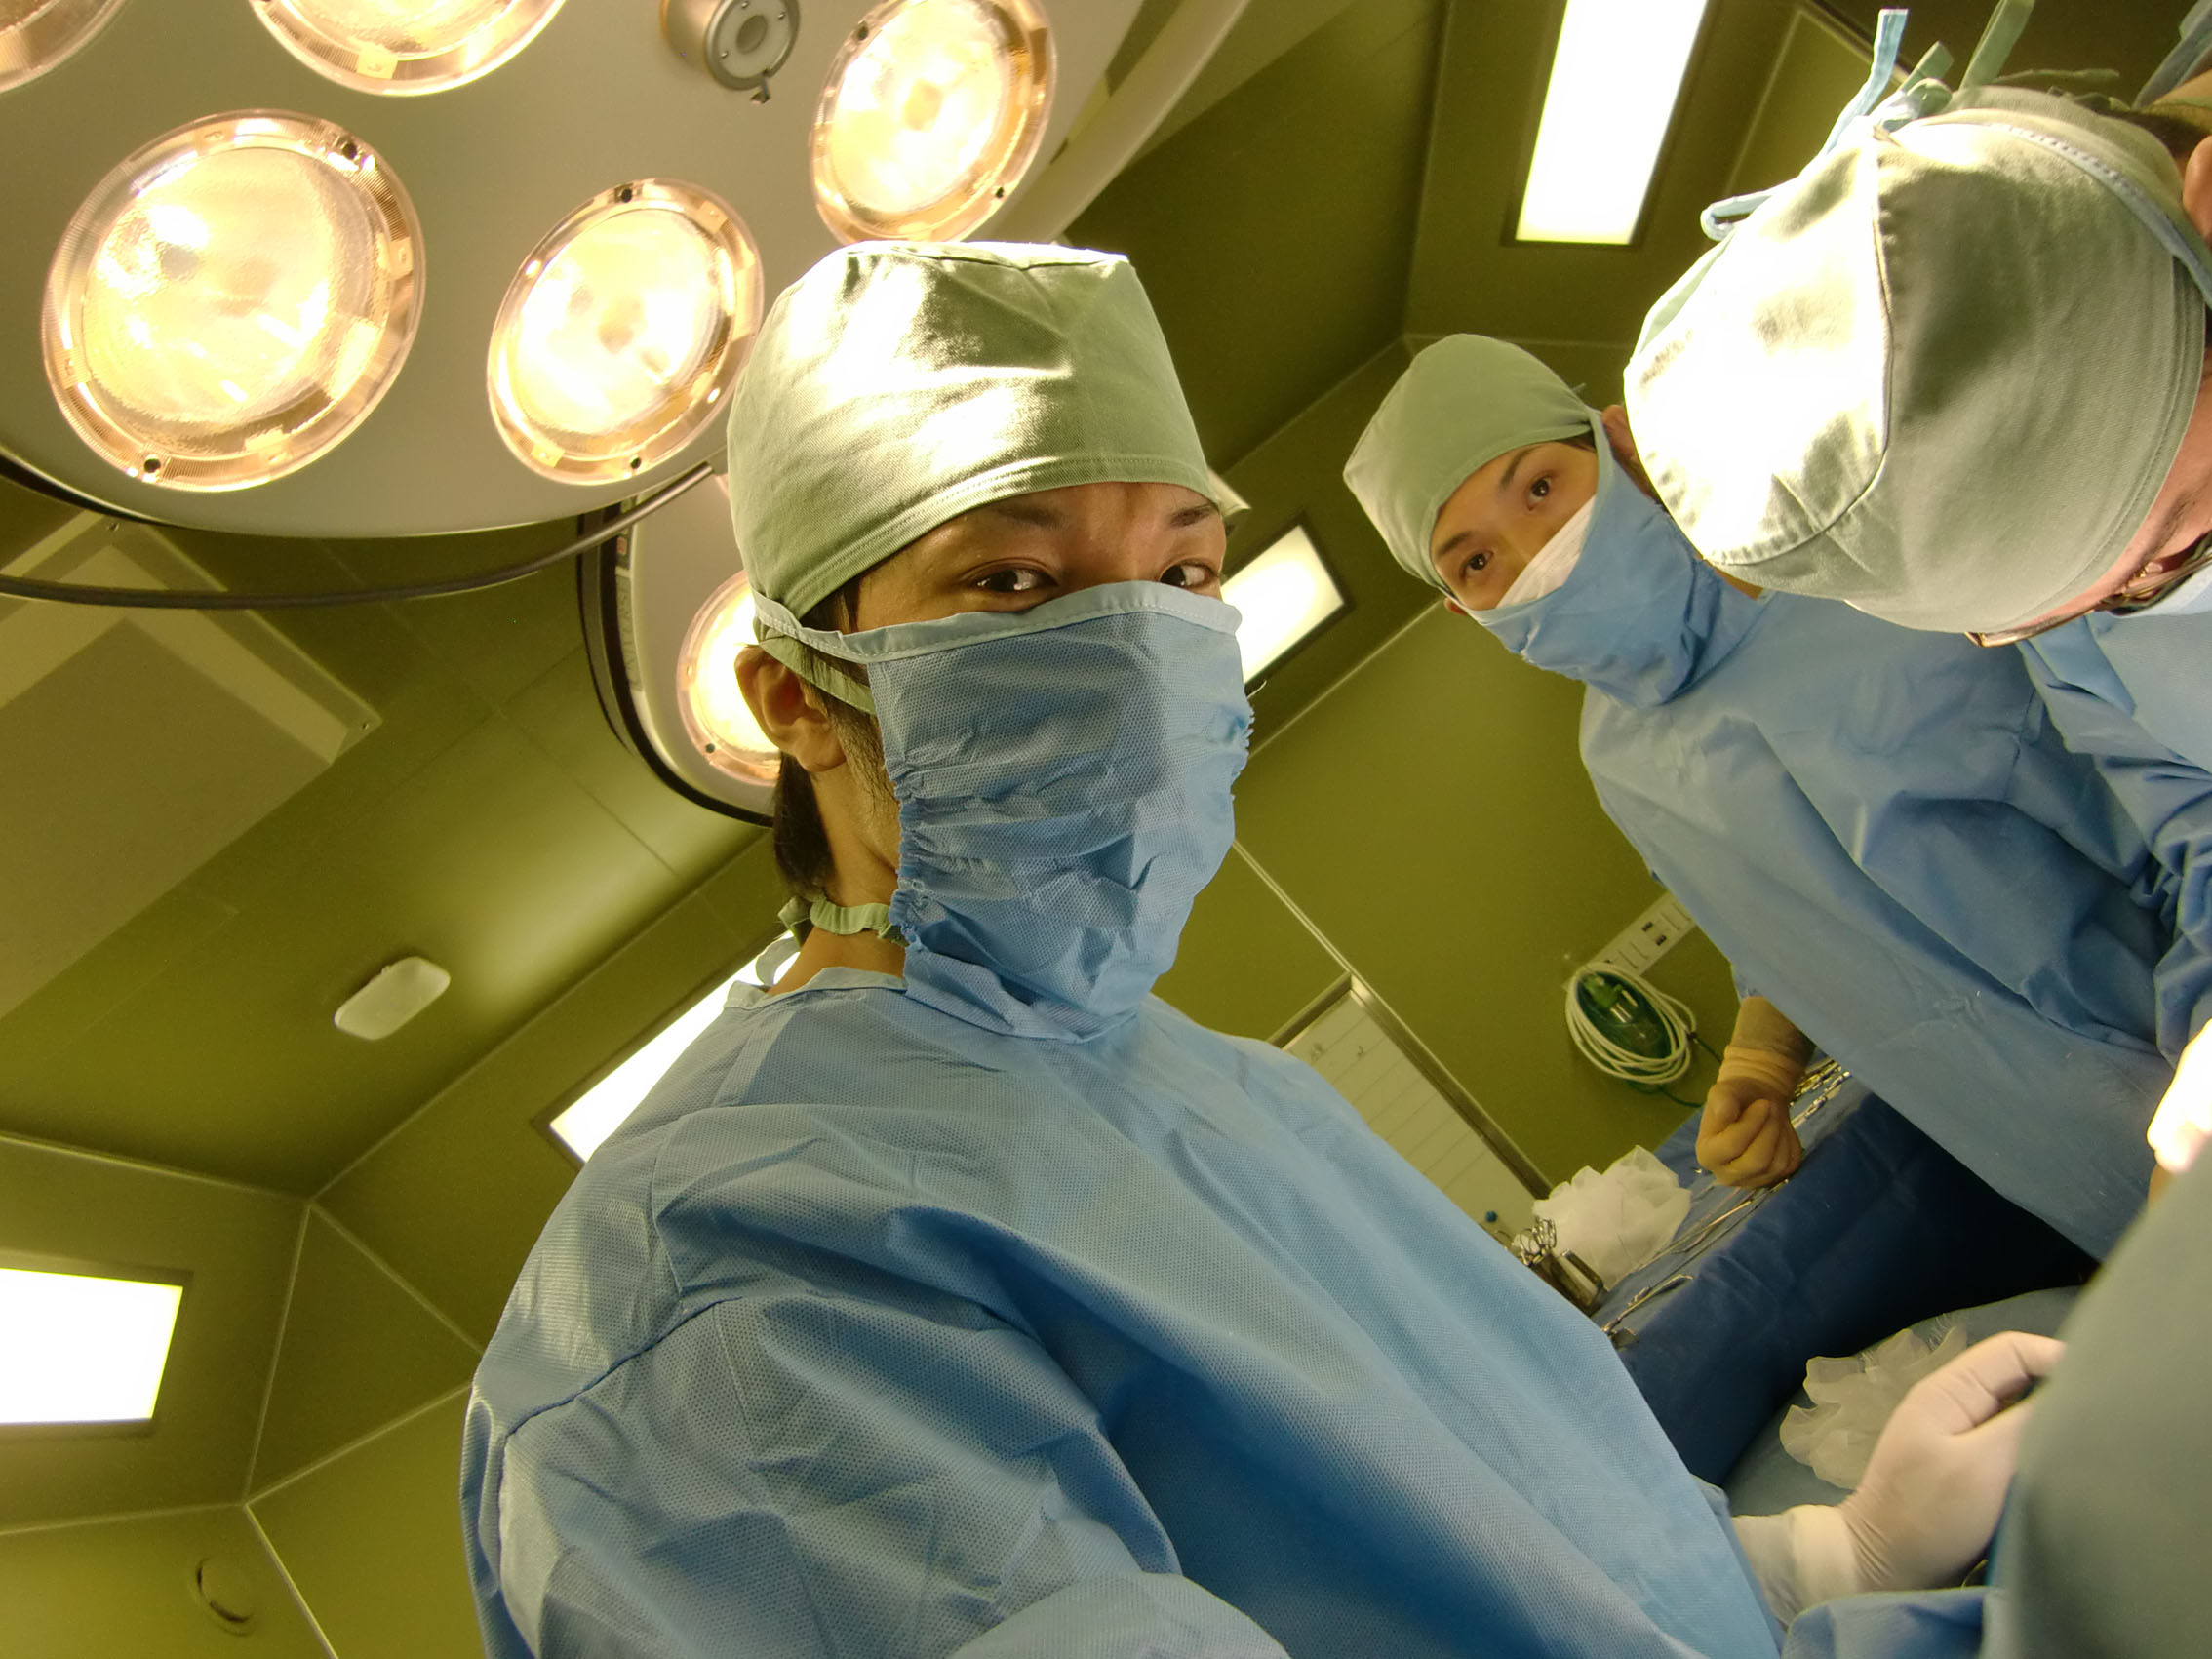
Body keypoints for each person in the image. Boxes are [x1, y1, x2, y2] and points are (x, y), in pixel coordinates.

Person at [458, 241, 2053, 1657]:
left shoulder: (1211, 1088)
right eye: (1010, 579)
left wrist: (1811, 1564)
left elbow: (1531, 1526)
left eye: (1179, 575)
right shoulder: (710, 1270)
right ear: (796, 698)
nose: (1130, 646)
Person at [1342, 335, 2170, 1257]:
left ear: (1620, 447)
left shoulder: (1860, 569)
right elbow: (1804, 913)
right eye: (1476, 562)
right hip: (2069, 1161)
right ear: (1466, 613)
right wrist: (1762, 1056)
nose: (1540, 556)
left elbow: (2160, 795)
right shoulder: (1620, 759)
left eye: (1540, 488)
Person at [1620, 47, 2212, 1121]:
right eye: (2097, 606)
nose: (2155, 607)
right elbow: (2193, 796)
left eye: (2182, 548)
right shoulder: (2090, 607)